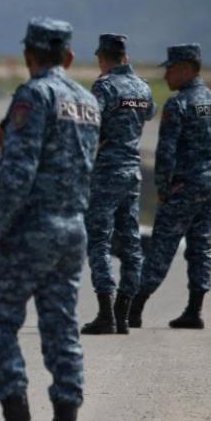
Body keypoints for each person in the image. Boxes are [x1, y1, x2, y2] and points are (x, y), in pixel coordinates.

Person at [0, 17, 99, 421]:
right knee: (62, 329)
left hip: (30, 230)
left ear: (28, 56)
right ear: (68, 57)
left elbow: (21, 175)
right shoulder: (86, 101)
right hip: (72, 229)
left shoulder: (33, 95)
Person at [129, 44, 211, 329]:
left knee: (162, 246)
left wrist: (164, 188)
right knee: (201, 245)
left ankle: (135, 307)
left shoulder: (179, 105)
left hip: (184, 187)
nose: (166, 76)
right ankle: (194, 309)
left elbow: (166, 153)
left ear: (188, 69)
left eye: (171, 69)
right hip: (209, 185)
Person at [81, 34, 156, 335]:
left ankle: (105, 313)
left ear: (102, 58)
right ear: (125, 57)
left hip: (106, 173)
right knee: (130, 244)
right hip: (132, 173)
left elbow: (89, 124)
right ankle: (122, 313)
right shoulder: (143, 87)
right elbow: (148, 113)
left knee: (99, 241)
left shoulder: (105, 87)